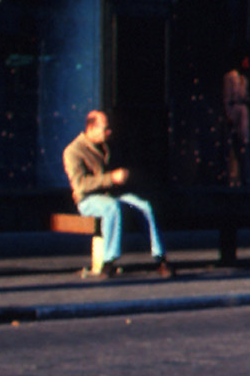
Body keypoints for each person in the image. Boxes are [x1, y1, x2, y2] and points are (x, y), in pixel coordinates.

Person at [64, 109, 170, 278]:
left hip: (111, 194)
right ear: (91, 128)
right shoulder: (74, 151)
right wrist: (111, 178)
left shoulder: (108, 146)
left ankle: (160, 258)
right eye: (105, 129)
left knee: (144, 206)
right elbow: (80, 184)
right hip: (88, 199)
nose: (109, 132)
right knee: (111, 208)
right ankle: (109, 260)